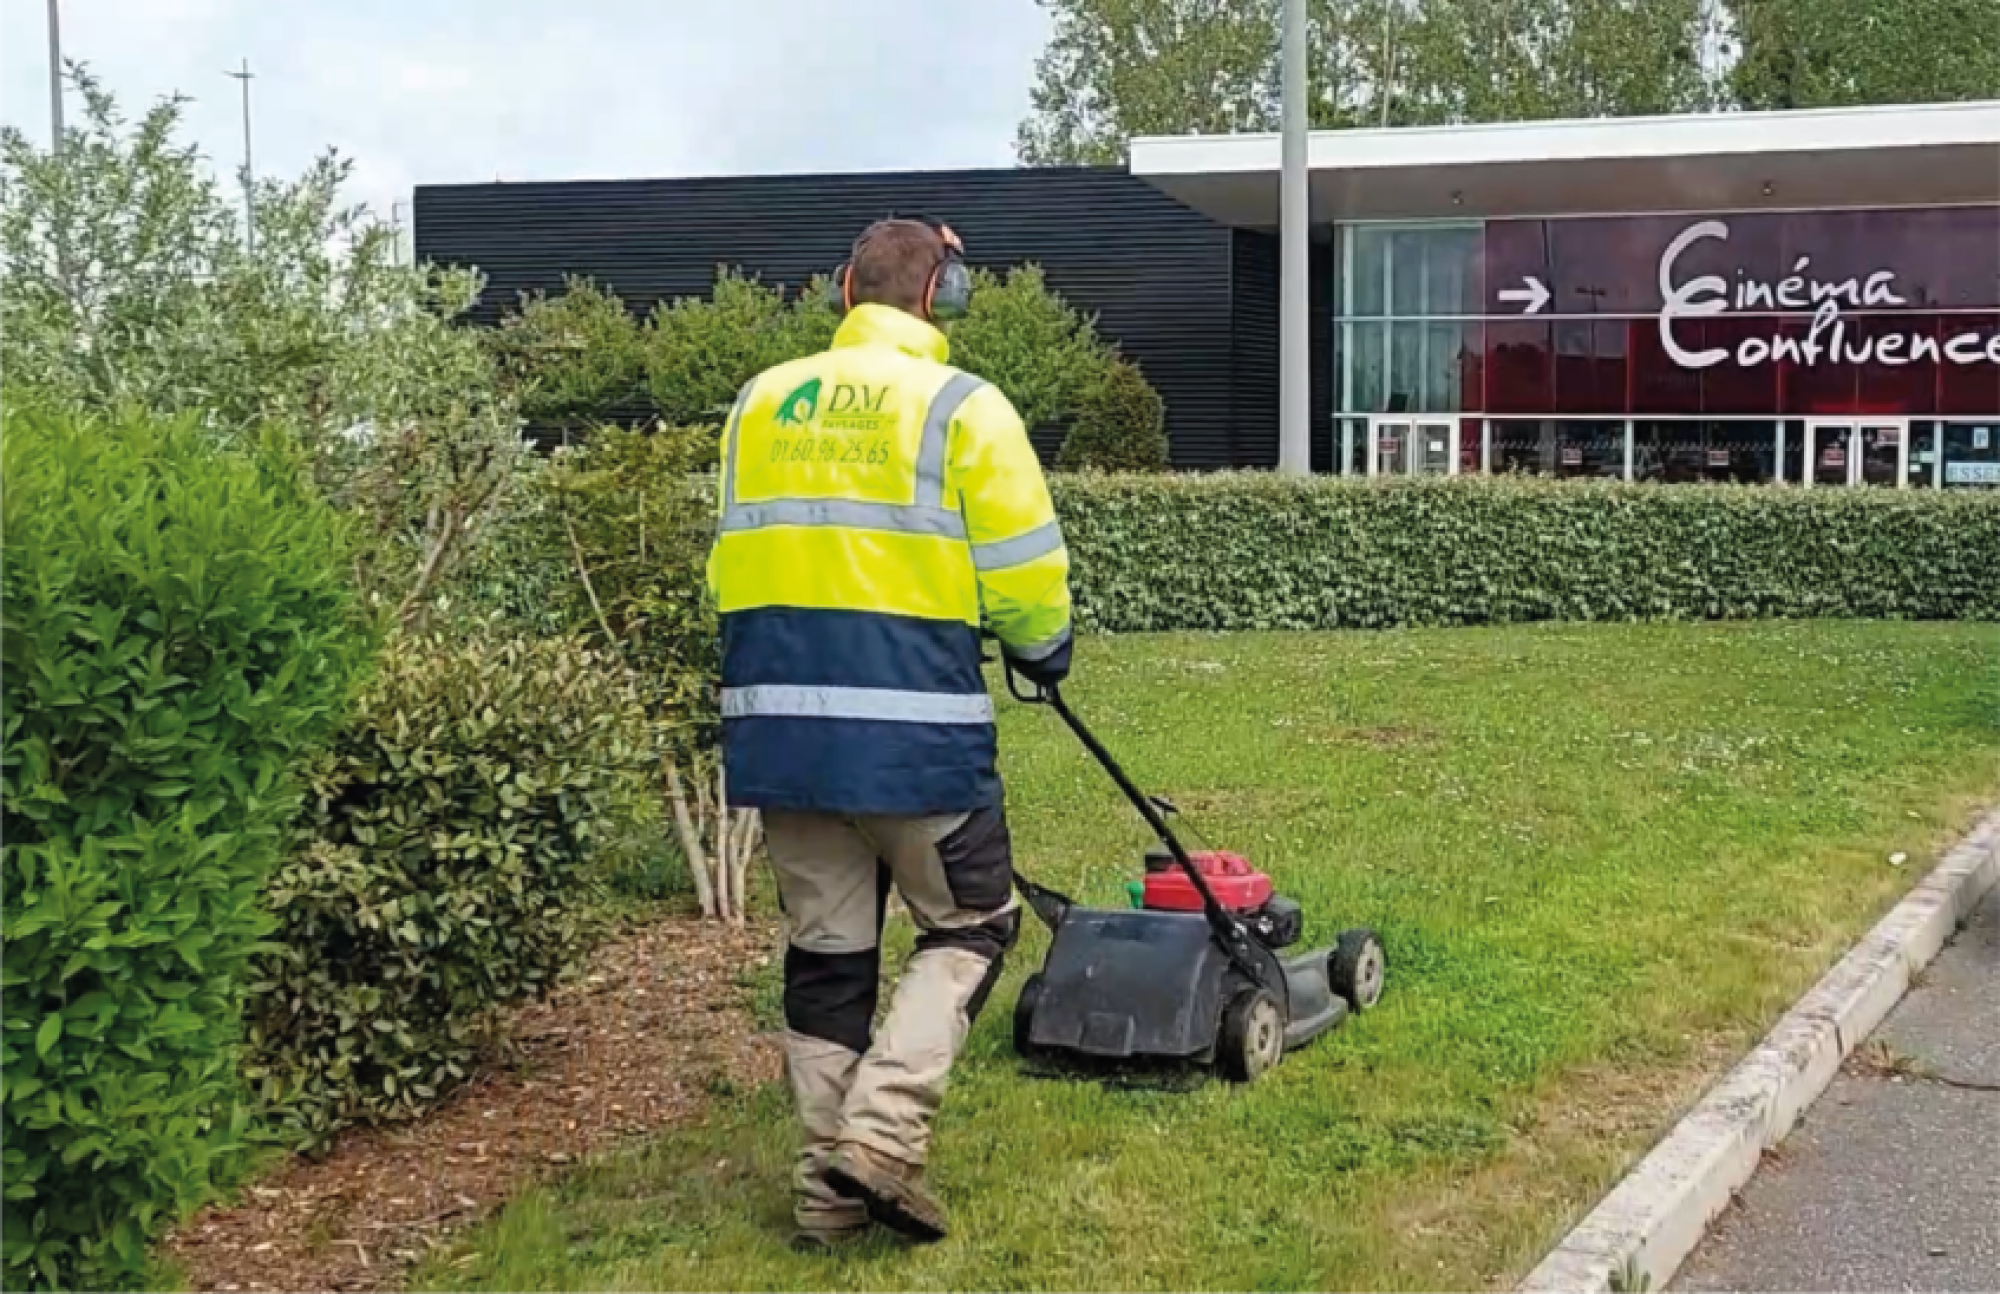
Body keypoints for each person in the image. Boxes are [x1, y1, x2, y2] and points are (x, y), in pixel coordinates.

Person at [704, 214, 1074, 1249]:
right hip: (912, 740)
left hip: (779, 736)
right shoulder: (963, 407)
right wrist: (1044, 649)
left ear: (841, 291)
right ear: (936, 297)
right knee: (969, 926)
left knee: (827, 959)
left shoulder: (758, 404)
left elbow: (724, 567)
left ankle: (825, 1202)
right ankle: (878, 1137)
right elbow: (1025, 575)